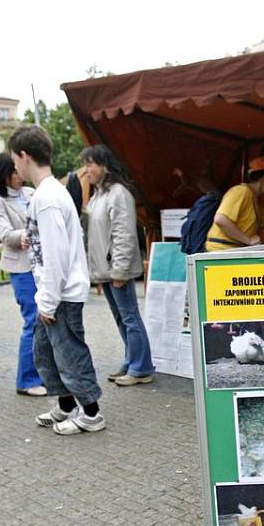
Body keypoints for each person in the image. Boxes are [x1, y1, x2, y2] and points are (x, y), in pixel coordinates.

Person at [8, 125, 105, 435]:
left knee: (69, 355)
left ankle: (91, 413)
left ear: (24, 156)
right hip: (52, 293)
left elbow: (56, 255)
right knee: (46, 353)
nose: (14, 166)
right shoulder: (47, 194)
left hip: (60, 294)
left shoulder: (48, 197)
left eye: (14, 158)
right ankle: (66, 405)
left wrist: (48, 301)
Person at [82, 144, 155, 386]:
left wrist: (121, 270)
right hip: (106, 269)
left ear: (103, 165)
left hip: (116, 269)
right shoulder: (99, 195)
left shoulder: (118, 193)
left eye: (89, 164)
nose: (86, 170)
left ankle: (141, 368)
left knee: (130, 318)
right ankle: (131, 360)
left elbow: (123, 234)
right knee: (121, 318)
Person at [0, 153, 47, 397]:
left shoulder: (31, 193)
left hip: (41, 265)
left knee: (45, 320)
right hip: (21, 268)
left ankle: (43, 372)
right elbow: (6, 235)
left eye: (19, 172)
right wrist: (31, 234)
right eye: (14, 174)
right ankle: (27, 379)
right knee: (32, 321)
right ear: (4, 175)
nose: (19, 177)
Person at [205, 156, 264, 251]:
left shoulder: (254, 203)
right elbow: (220, 219)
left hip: (232, 251)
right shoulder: (242, 192)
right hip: (220, 251)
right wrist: (248, 240)